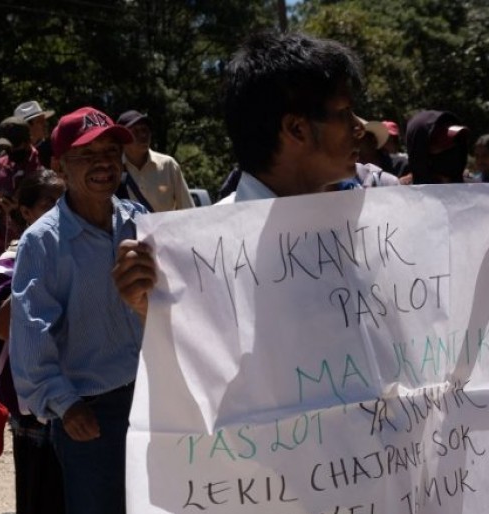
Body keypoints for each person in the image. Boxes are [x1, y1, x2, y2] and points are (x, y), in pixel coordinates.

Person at [114, 30, 365, 315]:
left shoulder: (373, 231)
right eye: (345, 112)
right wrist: (157, 314)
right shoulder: (200, 257)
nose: (360, 126)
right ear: (296, 129)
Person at [9, 106, 144, 514]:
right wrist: (65, 406)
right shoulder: (42, 243)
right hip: (93, 412)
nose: (105, 163)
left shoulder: (140, 224)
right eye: (89, 156)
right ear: (61, 166)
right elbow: (30, 338)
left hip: (150, 402)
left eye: (112, 152)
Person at [0, 169, 73, 514]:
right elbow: (3, 326)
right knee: (41, 485)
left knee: (84, 485)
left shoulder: (86, 249)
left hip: (83, 389)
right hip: (32, 400)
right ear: (24, 211)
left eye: (65, 201)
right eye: (47, 205)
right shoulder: (11, 258)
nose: (59, 213)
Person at [0, 116, 42, 257]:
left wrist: (19, 207)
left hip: (34, 245)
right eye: (6, 146)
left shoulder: (40, 166)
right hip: (3, 248)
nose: (10, 150)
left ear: (27, 142)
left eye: (14, 145)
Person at [115, 109, 195, 212]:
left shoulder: (168, 165)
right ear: (122, 138)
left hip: (167, 228)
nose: (143, 135)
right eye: (135, 131)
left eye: (145, 130)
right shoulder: (113, 169)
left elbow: (187, 209)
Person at [402, 110, 470, 185]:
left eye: (457, 140)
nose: (452, 147)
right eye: (443, 144)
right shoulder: (400, 192)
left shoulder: (476, 190)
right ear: (419, 151)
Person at [14, 100, 55, 169]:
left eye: (45, 120)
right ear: (27, 127)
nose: (46, 124)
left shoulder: (52, 150)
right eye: (40, 121)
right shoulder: (11, 155)